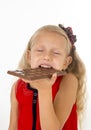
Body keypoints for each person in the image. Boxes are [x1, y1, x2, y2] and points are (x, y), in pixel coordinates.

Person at [8, 24, 86, 130]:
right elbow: (13, 127)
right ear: (29, 56)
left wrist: (44, 90)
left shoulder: (68, 81)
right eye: (40, 50)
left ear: (66, 62)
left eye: (56, 52)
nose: (47, 57)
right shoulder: (17, 86)